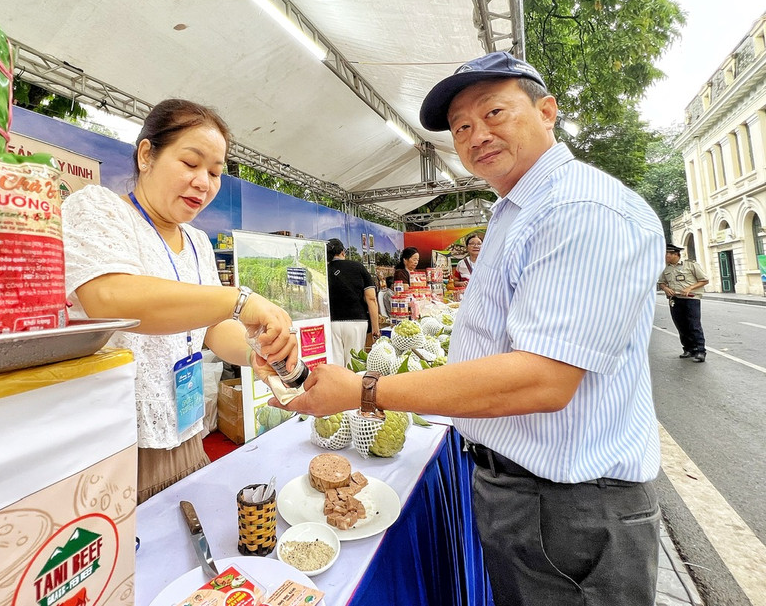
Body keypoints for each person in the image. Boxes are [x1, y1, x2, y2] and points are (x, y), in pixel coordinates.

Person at [275, 52, 666, 606]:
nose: (476, 134)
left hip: (570, 510)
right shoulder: (517, 210)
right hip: (527, 496)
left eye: (494, 112)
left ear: (547, 111)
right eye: (461, 127)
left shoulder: (580, 209)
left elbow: (543, 379)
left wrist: (366, 389)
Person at [62, 98, 298, 503]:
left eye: (215, 172)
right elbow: (109, 298)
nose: (204, 183)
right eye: (191, 163)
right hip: (116, 443)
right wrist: (238, 300)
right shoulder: (98, 208)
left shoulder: (198, 242)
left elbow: (212, 328)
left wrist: (257, 350)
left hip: (186, 429)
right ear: (146, 155)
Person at [326, 238, 380, 366]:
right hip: (357, 321)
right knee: (354, 363)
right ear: (343, 252)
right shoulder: (358, 267)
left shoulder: (325, 269)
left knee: (336, 364)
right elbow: (371, 299)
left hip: (332, 322)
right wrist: (375, 328)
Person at [658, 243, 709, 362]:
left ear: (675, 254)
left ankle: (700, 351)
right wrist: (665, 288)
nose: (665, 256)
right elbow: (661, 282)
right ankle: (688, 349)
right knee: (681, 325)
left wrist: (690, 288)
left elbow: (704, 280)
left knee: (694, 325)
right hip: (675, 299)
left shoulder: (690, 264)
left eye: (666, 254)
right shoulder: (665, 268)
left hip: (691, 299)